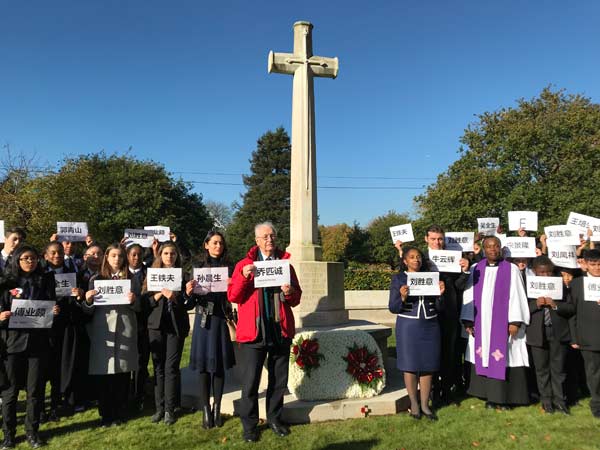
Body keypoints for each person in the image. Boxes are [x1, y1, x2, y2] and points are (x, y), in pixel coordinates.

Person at [228, 221, 301, 443]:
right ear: (257, 240)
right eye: (266, 237)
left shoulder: (285, 265)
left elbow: (296, 299)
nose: (270, 240)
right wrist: (243, 276)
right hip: (254, 332)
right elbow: (233, 296)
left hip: (279, 329)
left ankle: (275, 419)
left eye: (273, 236)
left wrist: (289, 292)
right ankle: (249, 426)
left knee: (278, 381)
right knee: (250, 382)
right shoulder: (245, 264)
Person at [461, 235, 531, 409]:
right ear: (484, 249)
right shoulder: (476, 268)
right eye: (489, 246)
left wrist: (515, 321)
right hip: (482, 324)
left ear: (501, 248)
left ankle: (505, 398)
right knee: (484, 357)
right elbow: (469, 295)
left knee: (505, 359)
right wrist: (468, 320)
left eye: (496, 246)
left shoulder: (511, 269)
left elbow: (517, 295)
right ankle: (490, 398)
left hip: (504, 325)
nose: (493, 249)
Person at [0, 244, 60, 448]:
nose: (30, 262)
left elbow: (51, 305)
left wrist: (54, 310)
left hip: (38, 343)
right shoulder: (6, 282)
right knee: (10, 392)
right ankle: (8, 434)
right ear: (17, 260)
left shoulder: (45, 280)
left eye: (33, 258)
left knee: (35, 391)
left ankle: (32, 433)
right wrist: (1, 317)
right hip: (12, 343)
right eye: (25, 258)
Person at [83, 244, 141, 427]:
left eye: (120, 256)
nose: (117, 259)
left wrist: (134, 301)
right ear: (106, 257)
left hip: (125, 328)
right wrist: (88, 300)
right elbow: (86, 311)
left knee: (122, 373)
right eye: (114, 256)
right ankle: (106, 414)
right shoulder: (96, 279)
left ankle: (120, 411)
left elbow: (141, 308)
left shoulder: (131, 279)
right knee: (104, 374)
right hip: (103, 330)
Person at [185, 230, 235, 429]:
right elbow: (189, 304)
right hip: (203, 320)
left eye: (220, 243)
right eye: (214, 243)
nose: (218, 246)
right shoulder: (197, 267)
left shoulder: (229, 268)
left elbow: (235, 296)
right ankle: (206, 408)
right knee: (204, 368)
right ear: (206, 245)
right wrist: (188, 293)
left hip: (221, 319)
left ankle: (217, 407)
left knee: (220, 367)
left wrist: (232, 286)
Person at [389, 246, 445, 420]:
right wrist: (402, 298)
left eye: (418, 256)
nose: (416, 259)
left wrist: (440, 295)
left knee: (428, 366)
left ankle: (425, 405)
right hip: (408, 327)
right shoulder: (398, 279)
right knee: (410, 366)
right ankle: (414, 404)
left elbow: (440, 308)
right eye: (412, 257)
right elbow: (393, 307)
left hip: (430, 325)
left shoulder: (432, 278)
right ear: (405, 261)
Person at [143, 241, 190, 425]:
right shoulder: (152, 276)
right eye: (166, 253)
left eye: (173, 253)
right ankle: (159, 408)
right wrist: (158, 295)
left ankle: (170, 409)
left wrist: (176, 296)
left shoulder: (182, 276)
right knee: (158, 368)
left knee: (171, 368)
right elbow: (145, 302)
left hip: (175, 327)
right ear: (160, 256)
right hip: (156, 326)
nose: (169, 256)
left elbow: (188, 304)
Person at [525, 256, 574, 415]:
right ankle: (546, 402)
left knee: (558, 369)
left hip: (558, 332)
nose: (545, 275)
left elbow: (571, 308)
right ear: (534, 272)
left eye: (549, 272)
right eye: (542, 272)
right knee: (541, 369)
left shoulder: (561, 286)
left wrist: (556, 305)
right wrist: (535, 304)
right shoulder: (529, 287)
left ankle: (560, 402)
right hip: (537, 333)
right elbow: (520, 308)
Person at [569, 248, 600, 419]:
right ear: (586, 265)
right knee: (593, 373)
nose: (597, 268)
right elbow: (572, 313)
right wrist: (574, 337)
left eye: (599, 265)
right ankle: (597, 404)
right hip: (588, 337)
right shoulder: (577, 284)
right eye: (593, 264)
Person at [126, 243, 150, 412]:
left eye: (139, 254)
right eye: (133, 254)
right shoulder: (120, 274)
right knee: (127, 362)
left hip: (144, 323)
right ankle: (127, 395)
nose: (136, 258)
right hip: (126, 323)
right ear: (127, 256)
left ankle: (140, 395)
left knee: (142, 362)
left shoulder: (149, 273)